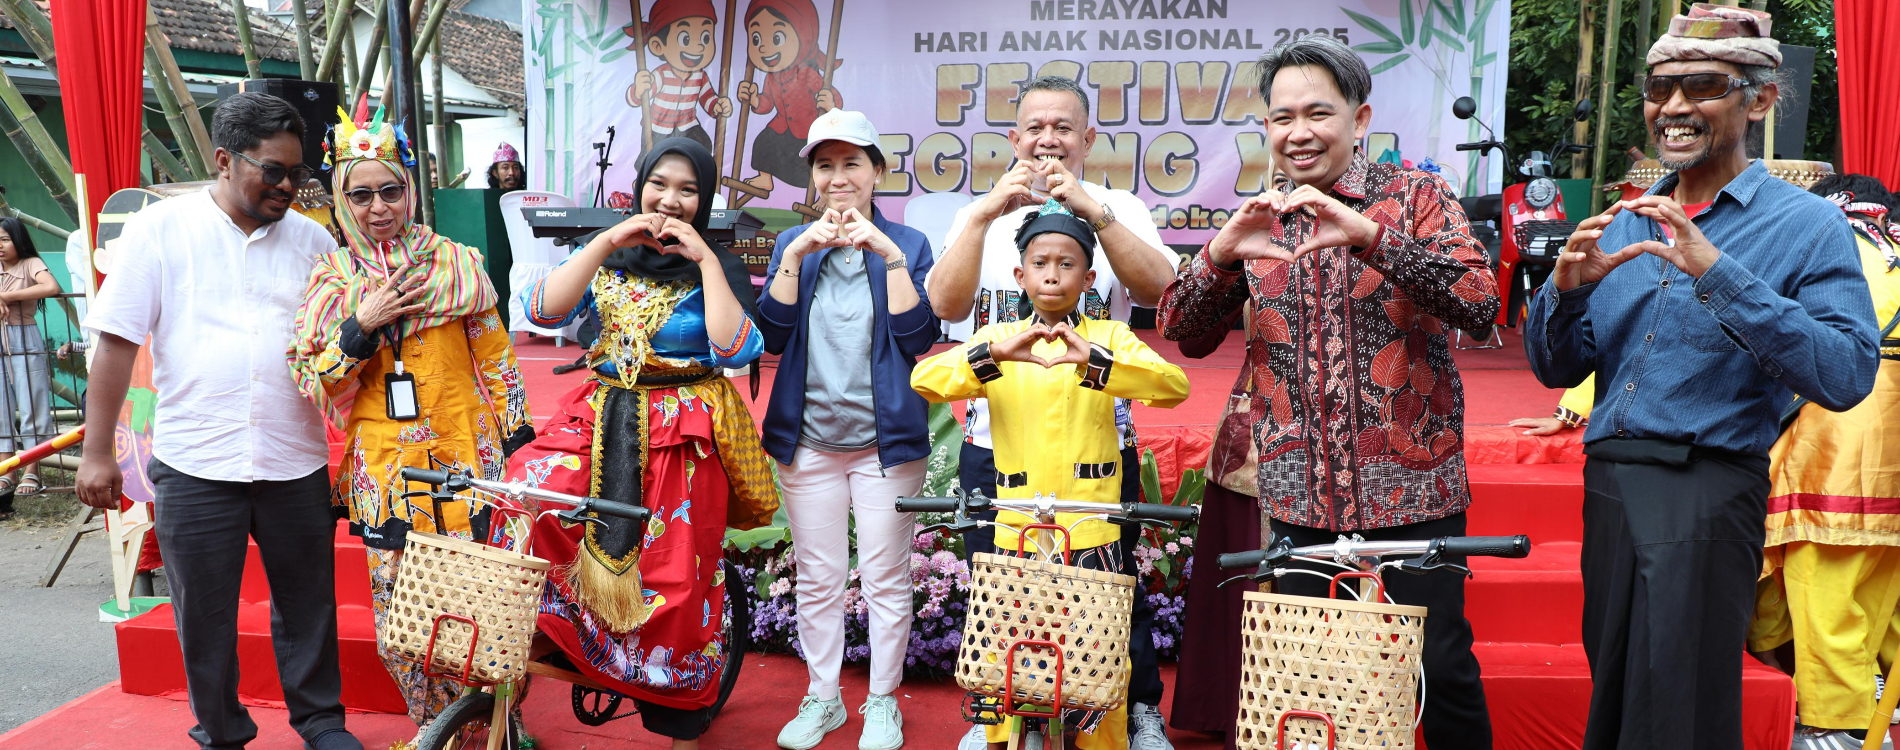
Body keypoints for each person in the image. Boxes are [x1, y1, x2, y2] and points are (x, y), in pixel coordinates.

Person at [1523, 5, 1879, 747]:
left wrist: (1718, 273)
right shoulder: (1626, 221)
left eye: (1704, 87)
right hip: (1609, 487)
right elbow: (1556, 366)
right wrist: (1564, 292)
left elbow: (1846, 372)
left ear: (1760, 99)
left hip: (1705, 489)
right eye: (1660, 90)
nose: (1674, 107)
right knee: (1617, 697)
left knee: (1678, 708)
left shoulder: (1808, 224)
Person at [1157, 35, 1502, 750]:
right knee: (1314, 685)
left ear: (1359, 118)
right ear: (1266, 127)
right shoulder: (1260, 217)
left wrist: (1373, 237)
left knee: (1439, 667)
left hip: (1413, 488)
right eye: (1283, 117)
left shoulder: (1416, 197)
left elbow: (1479, 301)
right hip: (1299, 495)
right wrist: (1219, 258)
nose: (1300, 132)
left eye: (1318, 113)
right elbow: (1182, 333)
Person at [76, 92, 363, 750]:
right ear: (225, 160)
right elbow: (115, 342)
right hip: (195, 461)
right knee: (203, 616)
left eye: (297, 173)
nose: (288, 186)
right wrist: (96, 453)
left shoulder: (314, 239)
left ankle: (321, 721)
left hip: (294, 458)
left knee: (309, 604)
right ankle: (222, 729)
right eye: (273, 171)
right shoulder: (160, 230)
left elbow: (338, 345)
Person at [925, 74, 1181, 750]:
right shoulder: (979, 212)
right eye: (1035, 127)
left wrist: (1095, 213)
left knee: (1110, 586)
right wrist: (983, 217)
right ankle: (998, 714)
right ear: (1014, 139)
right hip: (995, 442)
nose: (1048, 140)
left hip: (1097, 449)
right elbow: (946, 308)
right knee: (998, 588)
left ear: (1087, 138)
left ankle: (1135, 707)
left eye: (1063, 127)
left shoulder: (1119, 205)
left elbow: (1164, 292)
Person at [503, 137, 776, 750]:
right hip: (599, 415)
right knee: (524, 500)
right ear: (640, 187)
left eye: (688, 190)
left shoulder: (721, 265)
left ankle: (680, 727)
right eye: (660, 184)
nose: (671, 200)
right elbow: (542, 312)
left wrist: (707, 262)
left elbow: (736, 349)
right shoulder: (607, 253)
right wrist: (605, 241)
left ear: (705, 200)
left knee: (675, 580)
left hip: (682, 433)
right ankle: (579, 641)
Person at [286, 107, 534, 737]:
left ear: (410, 189)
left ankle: (496, 731)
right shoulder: (332, 279)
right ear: (341, 199)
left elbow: (498, 360)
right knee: (401, 629)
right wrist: (361, 325)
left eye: (390, 190)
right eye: (360, 195)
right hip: (387, 473)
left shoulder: (455, 263)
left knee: (481, 616)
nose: (378, 207)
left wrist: (518, 439)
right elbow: (318, 378)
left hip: (466, 464)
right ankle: (436, 732)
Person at [755, 110, 939, 750]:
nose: (838, 178)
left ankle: (882, 701)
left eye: (852, 163)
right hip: (808, 444)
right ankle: (824, 698)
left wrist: (888, 255)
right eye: (825, 165)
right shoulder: (793, 244)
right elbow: (771, 336)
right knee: (818, 577)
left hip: (886, 447)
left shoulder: (908, 243)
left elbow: (919, 338)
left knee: (886, 577)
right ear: (812, 176)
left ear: (877, 172)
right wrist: (794, 256)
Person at [1744, 174, 1900, 750]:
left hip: (1832, 446)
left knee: (1821, 595)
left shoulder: (1813, 243)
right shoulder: (1893, 251)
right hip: (1891, 454)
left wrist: (1575, 403)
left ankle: (1838, 722)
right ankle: (1874, 705)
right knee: (1878, 594)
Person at [1165, 303, 1260, 749]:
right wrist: (1226, 265)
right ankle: (1238, 712)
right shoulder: (1253, 254)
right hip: (1258, 441)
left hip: (1368, 445)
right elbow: (1191, 336)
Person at [729, 0, 839, 207]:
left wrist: (830, 103)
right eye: (756, 38)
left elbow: (830, 96)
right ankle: (765, 178)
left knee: (819, 161)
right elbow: (766, 104)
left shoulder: (807, 73)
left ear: (802, 38)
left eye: (777, 37)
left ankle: (824, 195)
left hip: (808, 131)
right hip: (782, 128)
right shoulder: (772, 77)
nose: (764, 46)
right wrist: (754, 99)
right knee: (763, 141)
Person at [0, 216, 60, 503]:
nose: (0, 246)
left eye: (4, 240)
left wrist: (6, 296)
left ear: (18, 241)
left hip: (24, 336)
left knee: (32, 401)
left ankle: (31, 468)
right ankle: (6, 468)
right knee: (0, 403)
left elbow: (50, 287)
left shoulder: (30, 263)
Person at [627, 0, 734, 151]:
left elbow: (707, 97)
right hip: (658, 128)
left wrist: (717, 106)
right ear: (658, 46)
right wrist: (638, 91)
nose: (698, 46)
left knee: (703, 147)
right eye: (685, 39)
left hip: (687, 126)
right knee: (652, 157)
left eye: (705, 38)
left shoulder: (700, 76)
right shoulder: (661, 75)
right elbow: (641, 96)